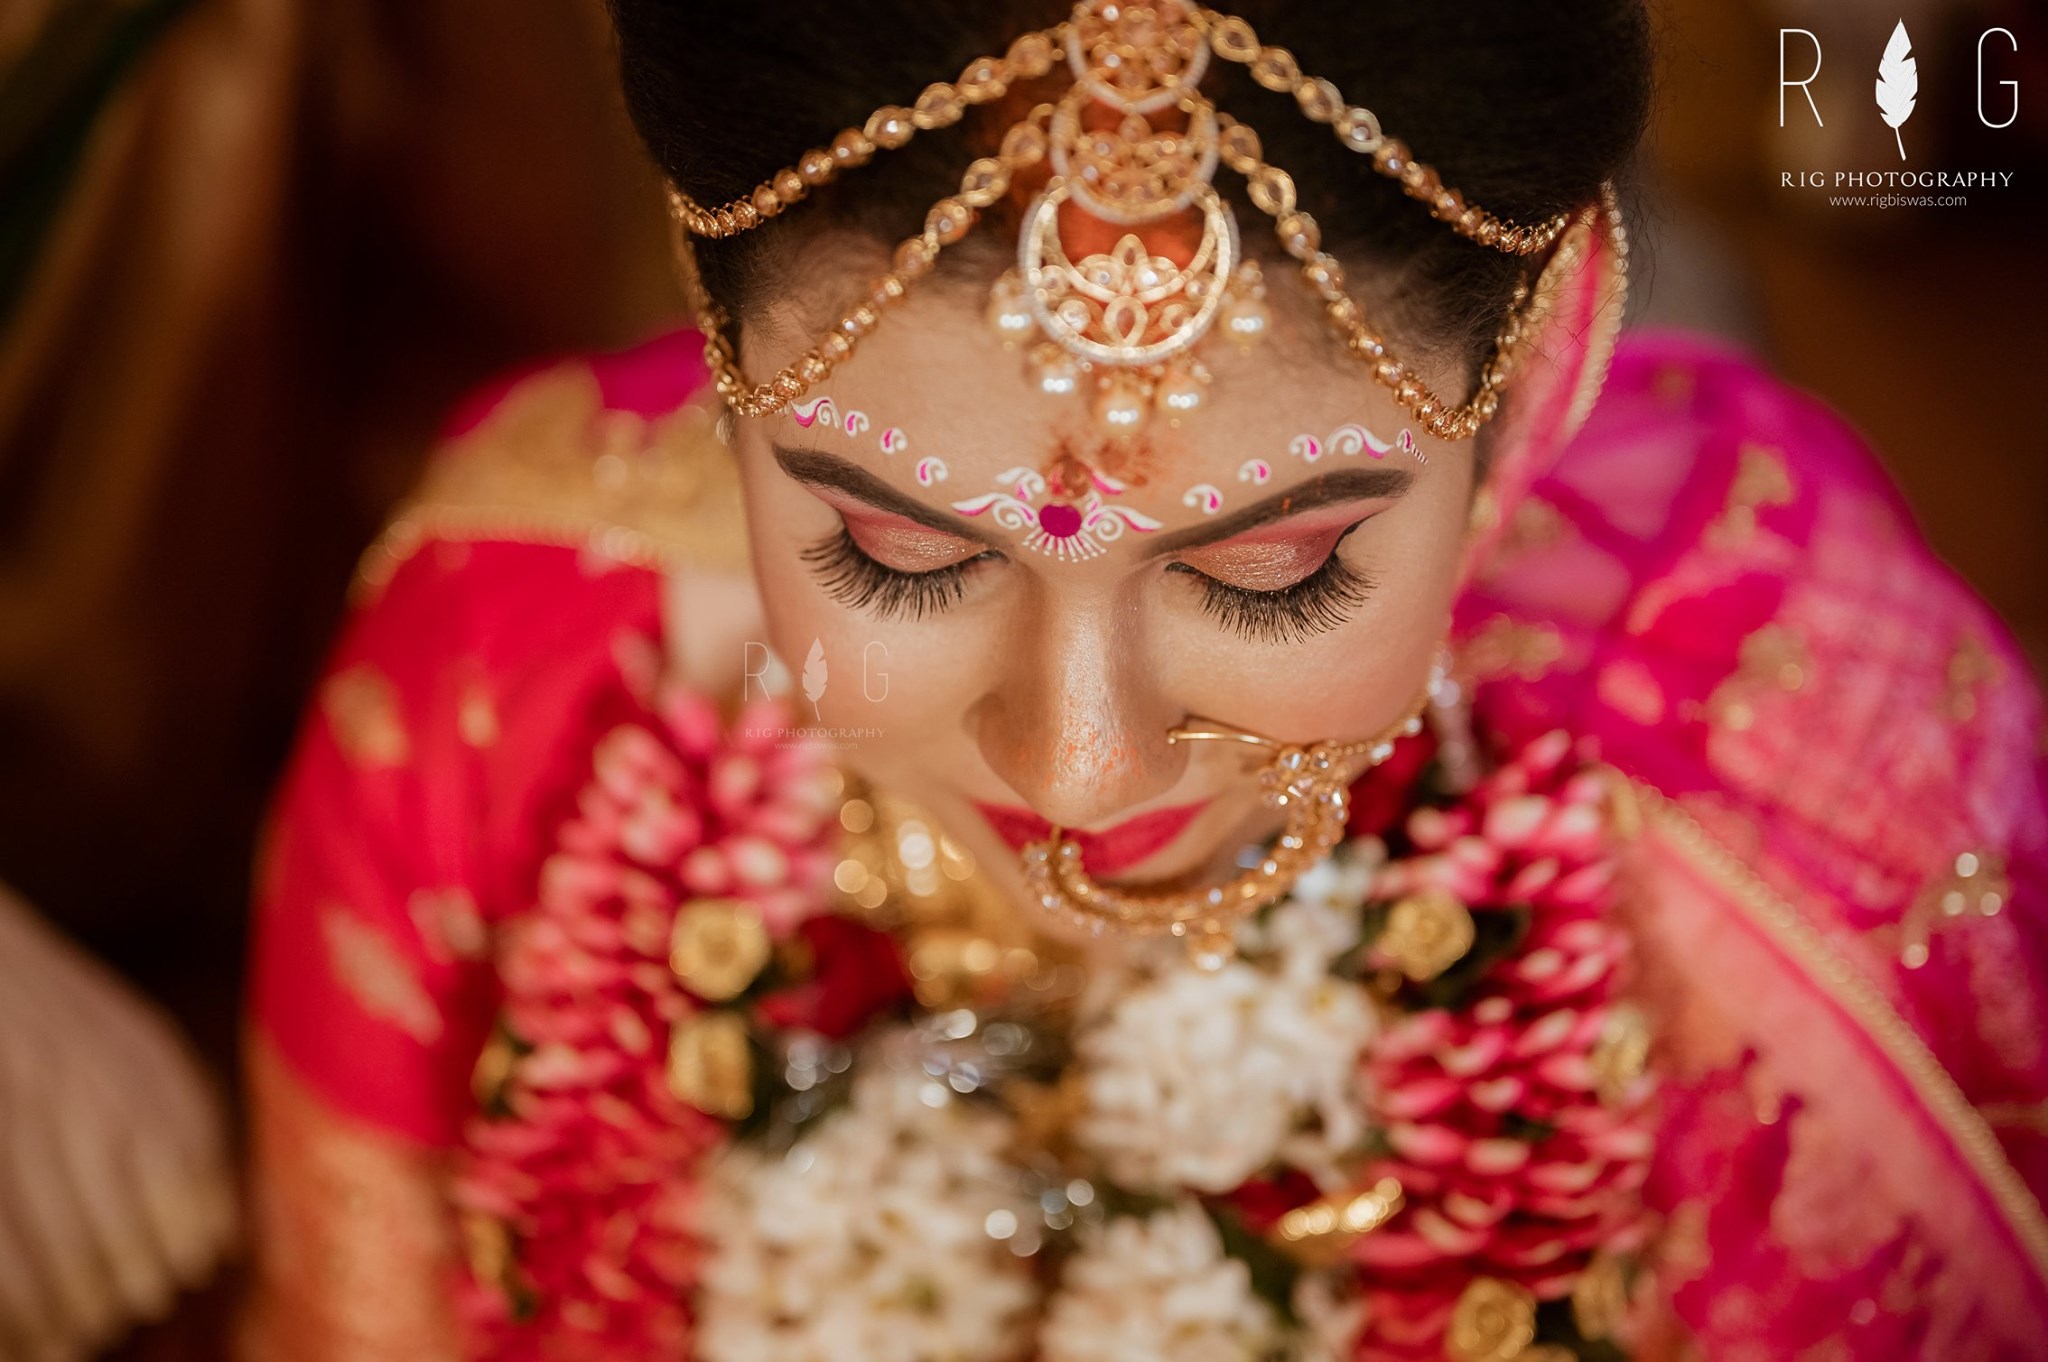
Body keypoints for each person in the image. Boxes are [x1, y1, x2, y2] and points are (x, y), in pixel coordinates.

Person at [237, 2, 2048, 1359]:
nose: (1084, 771)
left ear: (1535, 373)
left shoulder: (1821, 796)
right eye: (899, 553)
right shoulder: (509, 684)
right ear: (727, 382)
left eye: (1273, 565)